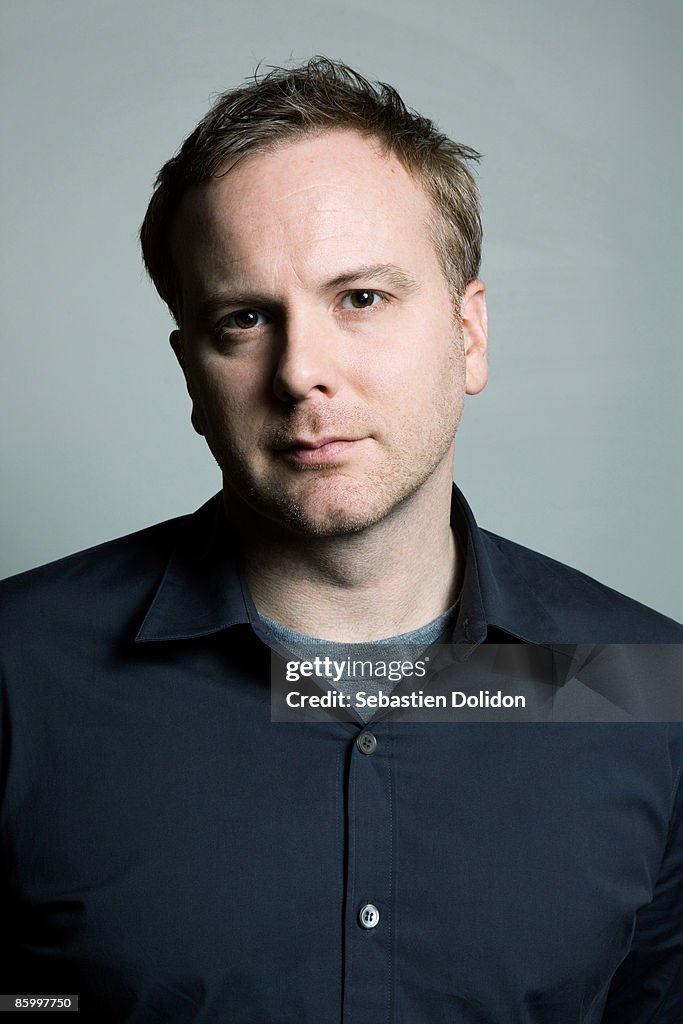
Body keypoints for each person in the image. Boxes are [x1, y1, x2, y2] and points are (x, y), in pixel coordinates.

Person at [1, 57, 681, 1023]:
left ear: (468, 334)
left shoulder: (639, 684)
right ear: (192, 373)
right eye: (244, 319)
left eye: (360, 298)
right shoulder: (19, 674)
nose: (302, 372)